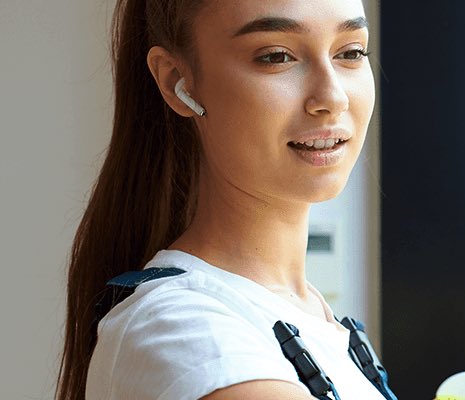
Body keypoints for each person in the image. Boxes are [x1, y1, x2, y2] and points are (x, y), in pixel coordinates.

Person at [55, 0, 385, 398]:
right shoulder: (182, 332)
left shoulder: (318, 320)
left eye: (350, 52)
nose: (332, 97)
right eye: (276, 56)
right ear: (178, 80)